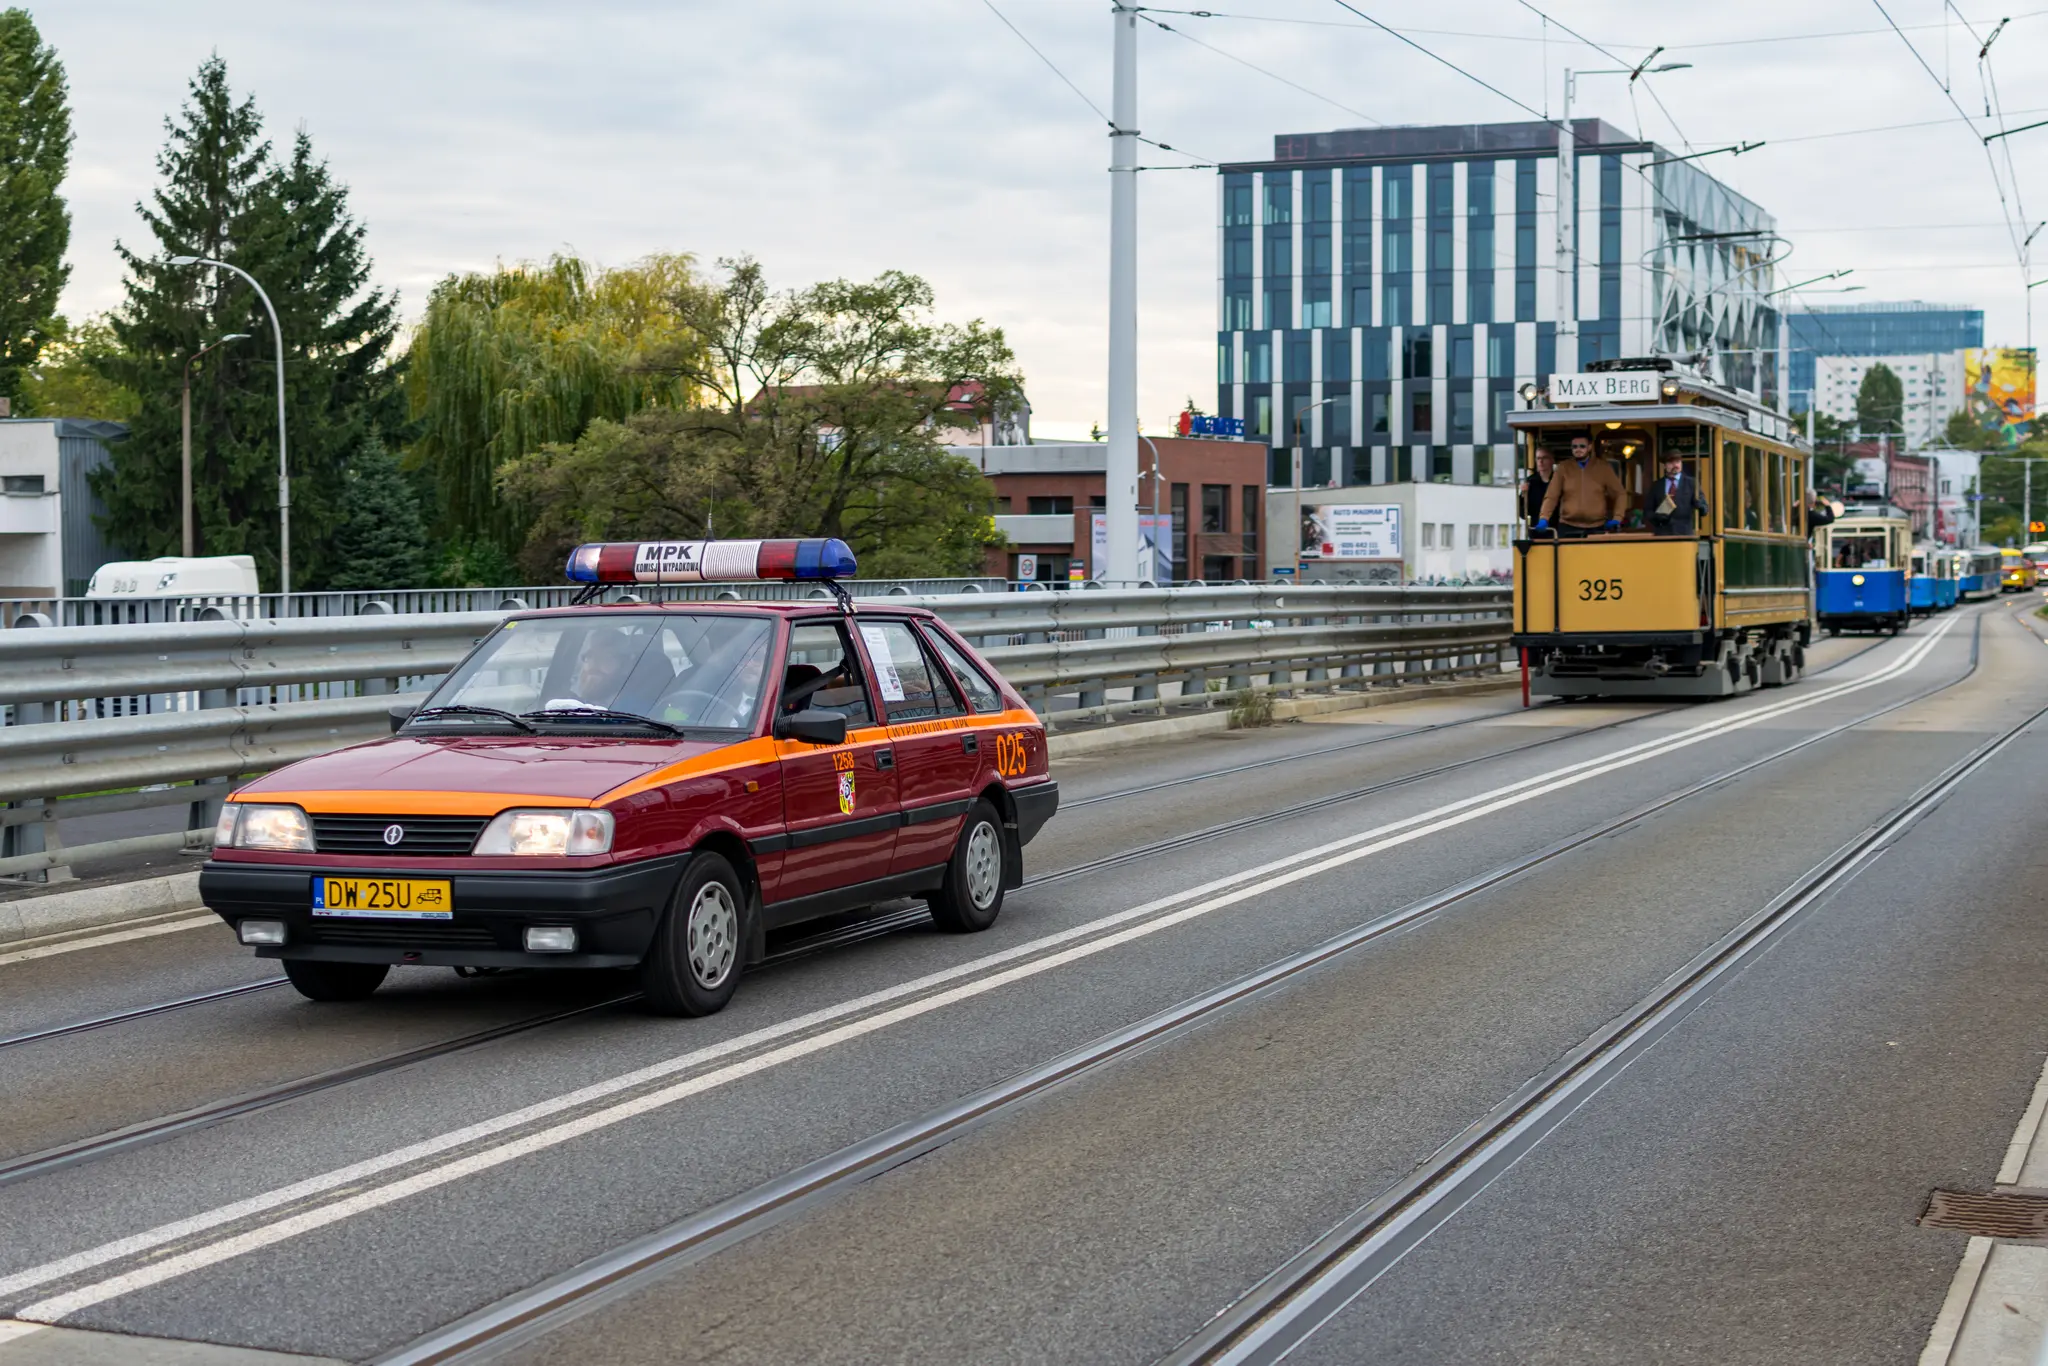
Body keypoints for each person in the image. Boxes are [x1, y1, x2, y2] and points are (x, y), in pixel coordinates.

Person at [1536, 434, 1627, 537]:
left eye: (1582, 446)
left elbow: (1620, 493)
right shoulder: (1563, 468)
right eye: (1574, 447)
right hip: (1568, 526)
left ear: (1589, 447)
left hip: (1596, 527)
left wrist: (1617, 518)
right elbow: (1552, 496)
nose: (1578, 449)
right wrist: (1543, 518)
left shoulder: (1603, 468)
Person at [545, 629, 639, 711]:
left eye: (604, 657)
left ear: (624, 666)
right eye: (589, 656)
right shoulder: (567, 706)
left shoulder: (636, 712)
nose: (593, 665)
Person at [1643, 453, 1707, 536]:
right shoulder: (1656, 485)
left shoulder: (1691, 483)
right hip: (1662, 534)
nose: (1675, 465)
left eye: (1678, 462)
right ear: (1665, 466)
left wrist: (1701, 506)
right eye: (1671, 463)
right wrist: (1656, 517)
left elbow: (1704, 509)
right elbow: (1647, 511)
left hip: (1684, 535)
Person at [1519, 448, 1555, 526]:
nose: (1540, 461)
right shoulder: (1530, 481)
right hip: (1536, 529)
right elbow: (1523, 514)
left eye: (1544, 458)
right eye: (1538, 458)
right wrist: (1523, 496)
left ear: (1552, 460)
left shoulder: (1559, 480)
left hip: (1557, 529)